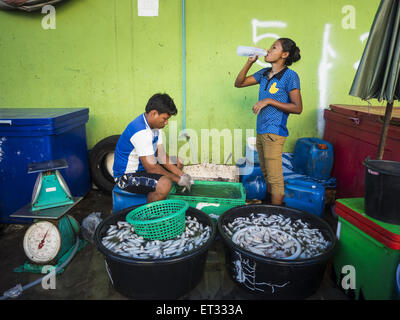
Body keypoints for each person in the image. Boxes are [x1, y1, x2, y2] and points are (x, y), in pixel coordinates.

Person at [234, 38, 303, 205]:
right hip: (261, 130)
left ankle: (276, 213)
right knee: (266, 173)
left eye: (274, 48)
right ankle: (272, 207)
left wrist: (269, 101)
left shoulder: (290, 76)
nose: (269, 50)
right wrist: (249, 62)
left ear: (284, 55)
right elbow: (239, 83)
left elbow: (297, 107)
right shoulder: (264, 73)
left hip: (275, 131)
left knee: (275, 177)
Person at [113, 93, 194, 203]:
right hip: (127, 177)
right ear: (154, 113)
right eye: (164, 119)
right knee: (165, 184)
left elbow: (161, 155)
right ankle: (151, 216)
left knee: (178, 162)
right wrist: (178, 179)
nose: (166, 123)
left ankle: (162, 193)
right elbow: (152, 168)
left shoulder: (156, 127)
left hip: (144, 168)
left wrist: (182, 175)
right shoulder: (141, 131)